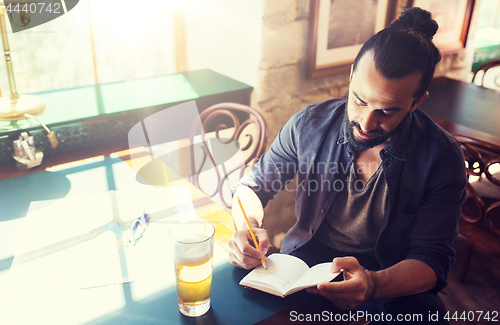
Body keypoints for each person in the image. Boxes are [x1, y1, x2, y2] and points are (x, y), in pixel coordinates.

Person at [228, 7, 467, 325]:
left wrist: (374, 284)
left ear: (417, 101)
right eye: (360, 100)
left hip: (390, 276)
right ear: (353, 73)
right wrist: (246, 227)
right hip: (306, 264)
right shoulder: (309, 124)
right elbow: (254, 186)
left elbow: (431, 261)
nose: (366, 123)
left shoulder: (442, 158)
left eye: (387, 111)